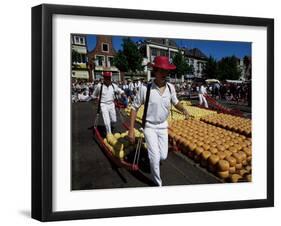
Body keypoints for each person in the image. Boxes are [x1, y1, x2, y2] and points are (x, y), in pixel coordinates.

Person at [128, 56, 190, 186]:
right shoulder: (146, 89)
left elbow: (176, 102)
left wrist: (183, 109)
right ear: (155, 71)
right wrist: (131, 130)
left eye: (166, 71)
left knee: (163, 156)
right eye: (161, 70)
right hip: (149, 126)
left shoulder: (170, 88)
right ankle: (158, 183)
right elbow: (134, 108)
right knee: (155, 157)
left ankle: (151, 155)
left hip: (163, 126)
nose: (164, 74)